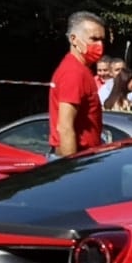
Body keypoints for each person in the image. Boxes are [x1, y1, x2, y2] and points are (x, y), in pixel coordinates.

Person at [49, 11, 106, 159]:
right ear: (74, 39)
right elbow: (65, 127)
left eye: (101, 40)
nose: (99, 45)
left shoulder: (81, 70)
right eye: (94, 39)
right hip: (76, 160)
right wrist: (72, 171)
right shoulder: (73, 73)